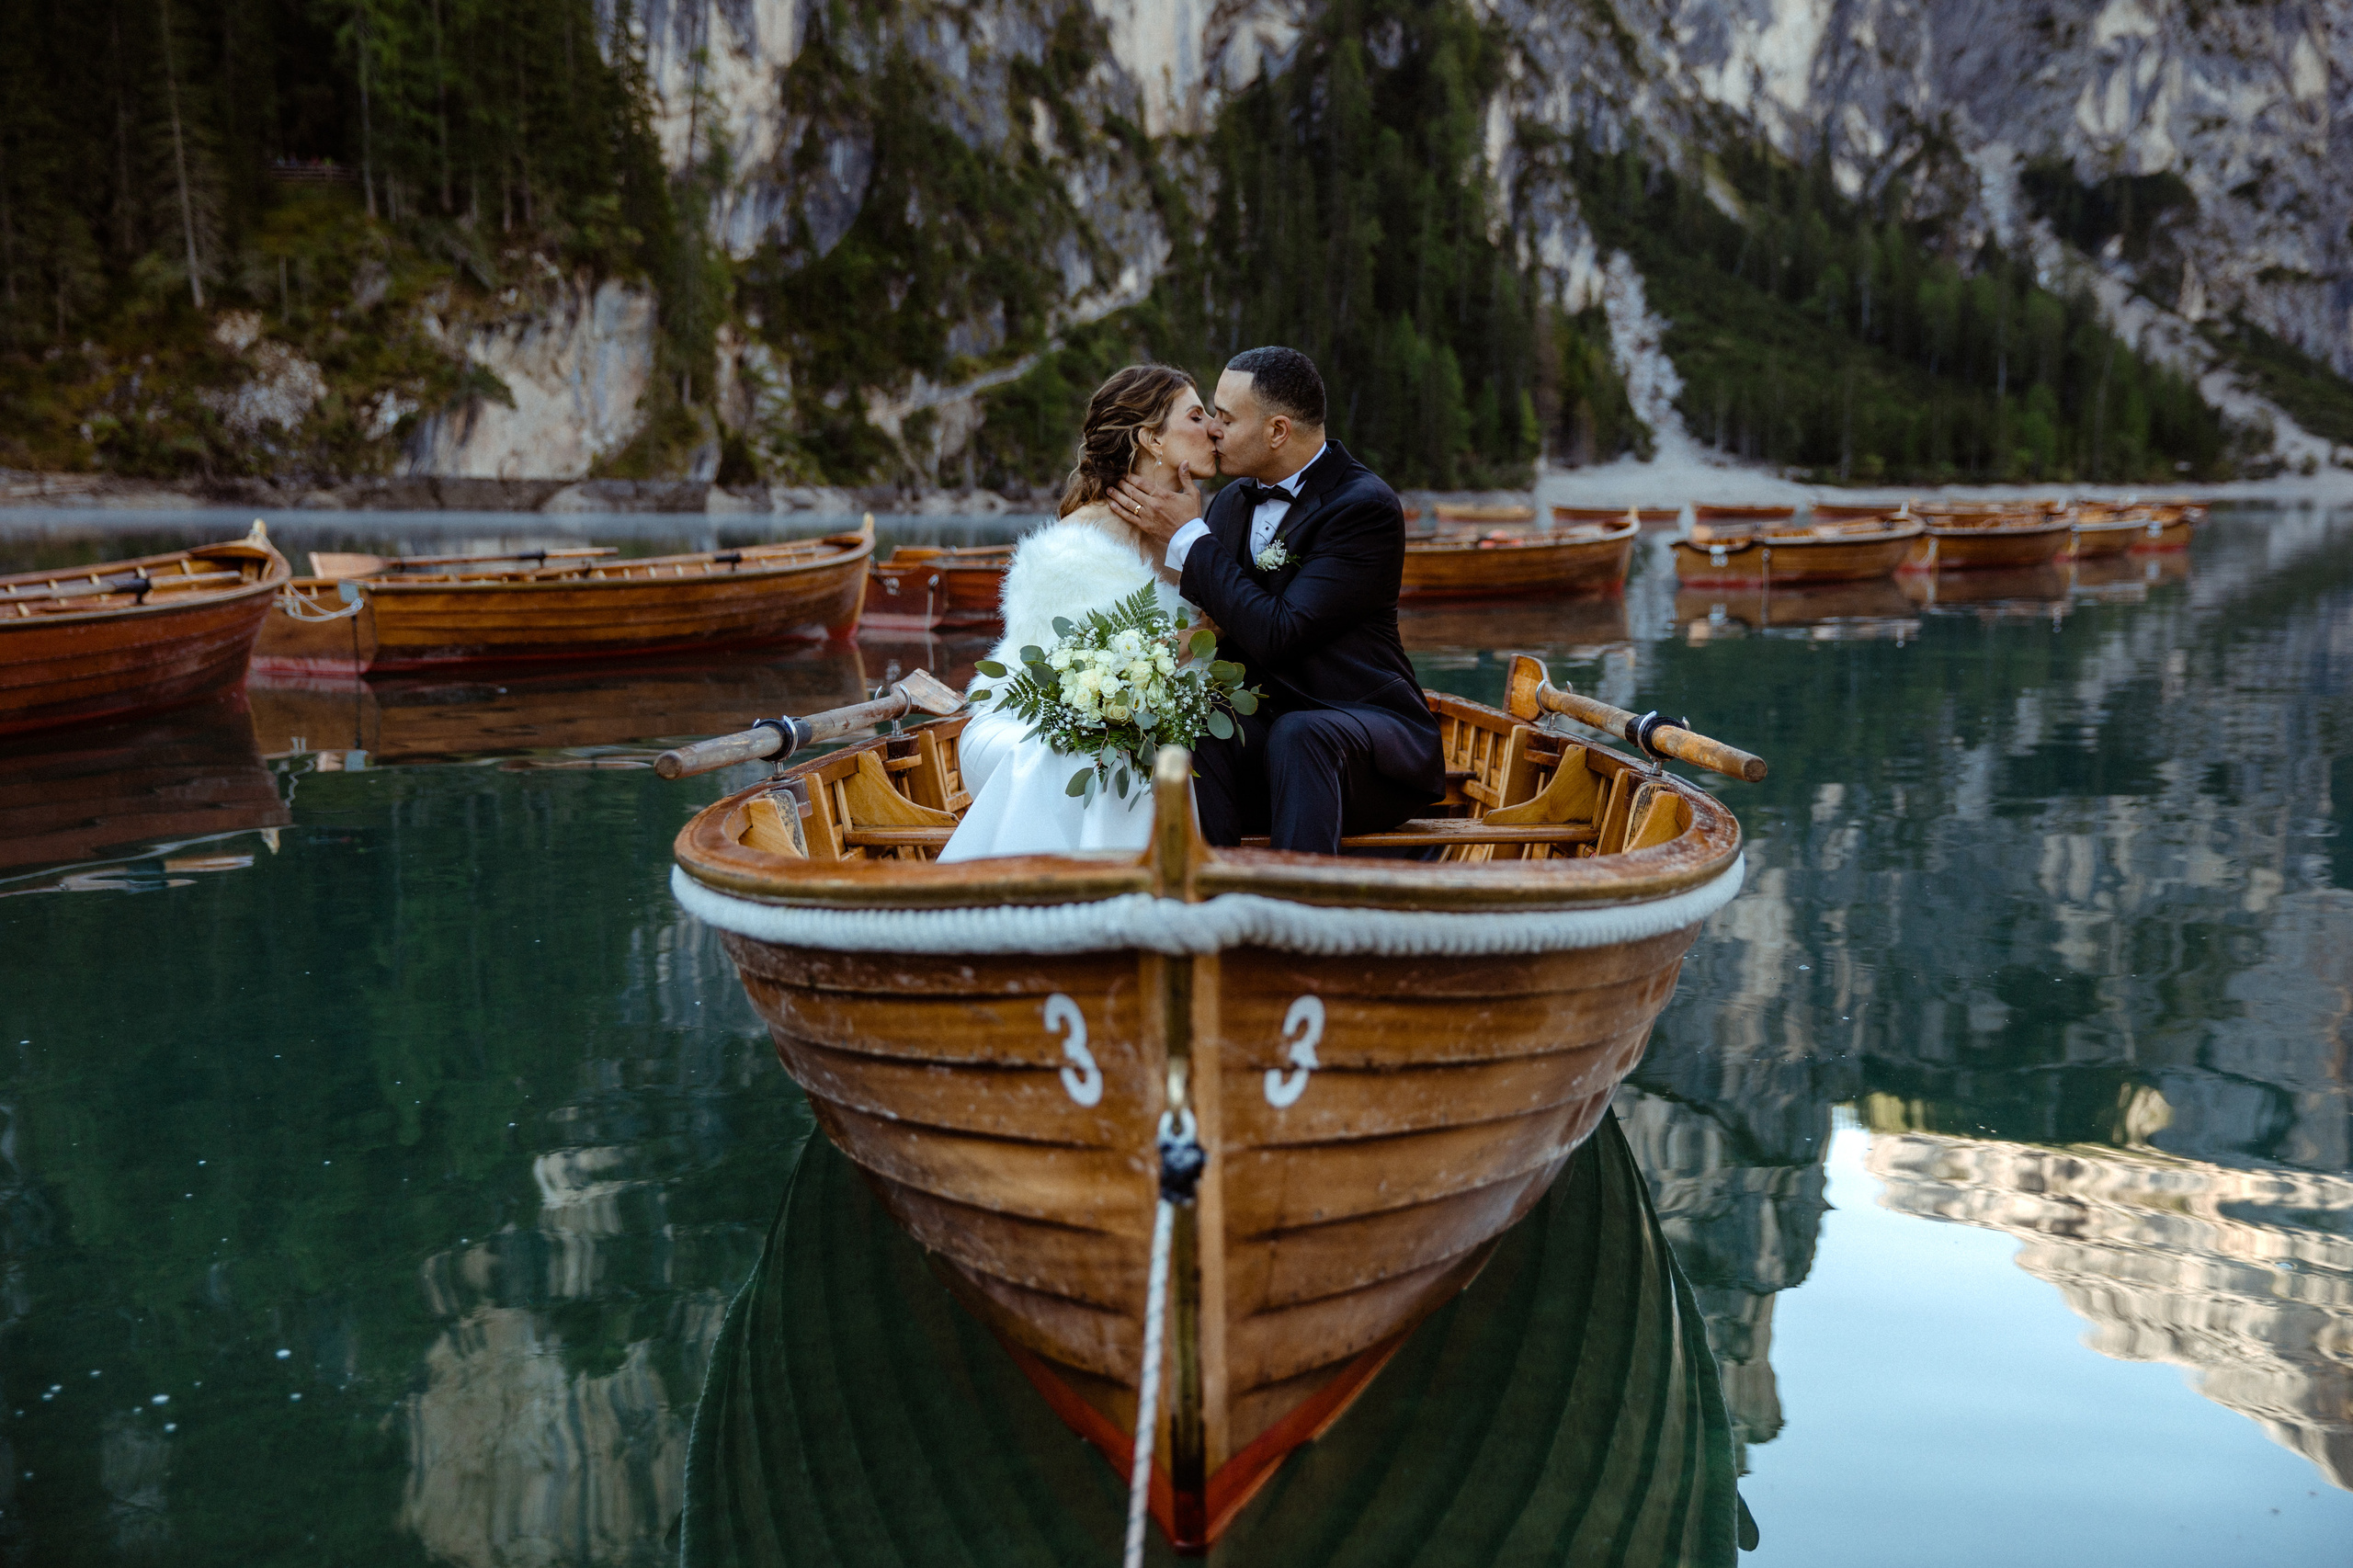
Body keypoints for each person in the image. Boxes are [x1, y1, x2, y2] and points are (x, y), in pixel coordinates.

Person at [1108, 346, 1444, 853]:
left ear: (1277, 431)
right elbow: (1216, 618)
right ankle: (1214, 897)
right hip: (1268, 744)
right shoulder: (1228, 505)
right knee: (1202, 723)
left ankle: (1293, 919)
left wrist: (1190, 538)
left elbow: (1279, 632)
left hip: (1366, 745)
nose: (1213, 430)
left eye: (1225, 417)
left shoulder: (1363, 508)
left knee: (1300, 734)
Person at [938, 365, 1219, 862]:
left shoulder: (1192, 533)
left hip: (1136, 723)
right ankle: (1092, 903)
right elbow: (1068, 689)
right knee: (1114, 760)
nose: (1214, 427)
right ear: (1152, 439)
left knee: (1142, 753)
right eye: (1197, 416)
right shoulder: (1073, 550)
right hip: (1026, 724)